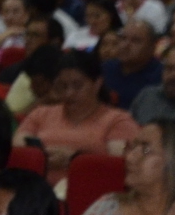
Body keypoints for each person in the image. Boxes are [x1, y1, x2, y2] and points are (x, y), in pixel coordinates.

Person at [19, 49, 138, 182]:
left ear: (97, 84)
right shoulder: (41, 114)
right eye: (62, 86)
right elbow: (18, 150)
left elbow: (119, 165)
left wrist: (75, 158)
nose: (69, 93)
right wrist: (41, 157)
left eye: (77, 86)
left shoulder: (117, 120)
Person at [100, 16, 166, 110]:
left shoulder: (162, 76)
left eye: (135, 41)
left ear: (152, 47)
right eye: (123, 38)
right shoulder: (106, 68)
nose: (125, 45)